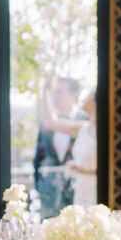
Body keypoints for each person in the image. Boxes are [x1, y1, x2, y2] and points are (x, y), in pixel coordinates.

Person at [33, 76, 85, 218]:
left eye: (60, 92)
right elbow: (38, 157)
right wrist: (40, 186)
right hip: (49, 195)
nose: (55, 96)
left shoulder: (85, 121)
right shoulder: (46, 124)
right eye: (54, 92)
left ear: (74, 94)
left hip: (78, 192)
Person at [68, 89, 97, 206]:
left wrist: (82, 169)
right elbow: (51, 123)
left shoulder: (105, 132)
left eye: (88, 96)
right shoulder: (83, 128)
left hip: (95, 191)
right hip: (80, 191)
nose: (84, 98)